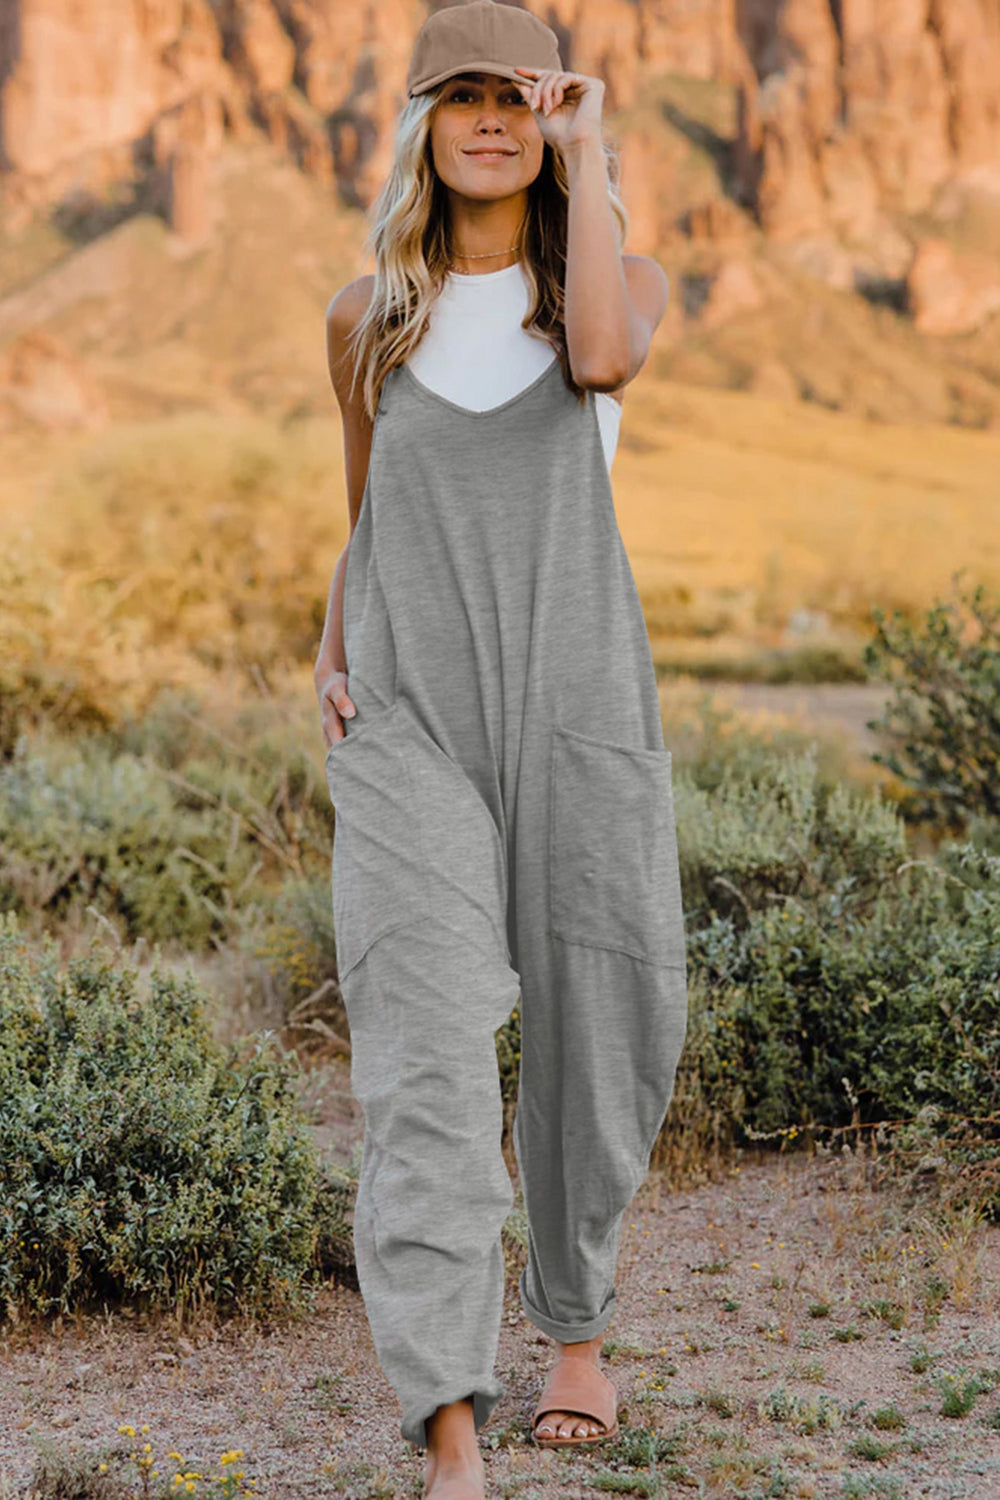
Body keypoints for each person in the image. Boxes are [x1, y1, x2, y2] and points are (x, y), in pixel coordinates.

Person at [313, 3, 688, 1496]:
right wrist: (332, 646)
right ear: (419, 124)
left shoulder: (614, 282)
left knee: (605, 1013)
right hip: (408, 714)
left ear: (550, 116)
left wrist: (590, 155)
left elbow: (600, 360)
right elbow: (364, 513)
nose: (488, 121)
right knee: (421, 1051)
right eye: (456, 97)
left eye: (514, 98)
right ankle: (451, 1421)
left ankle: (578, 1328)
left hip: (578, 696)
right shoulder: (366, 316)